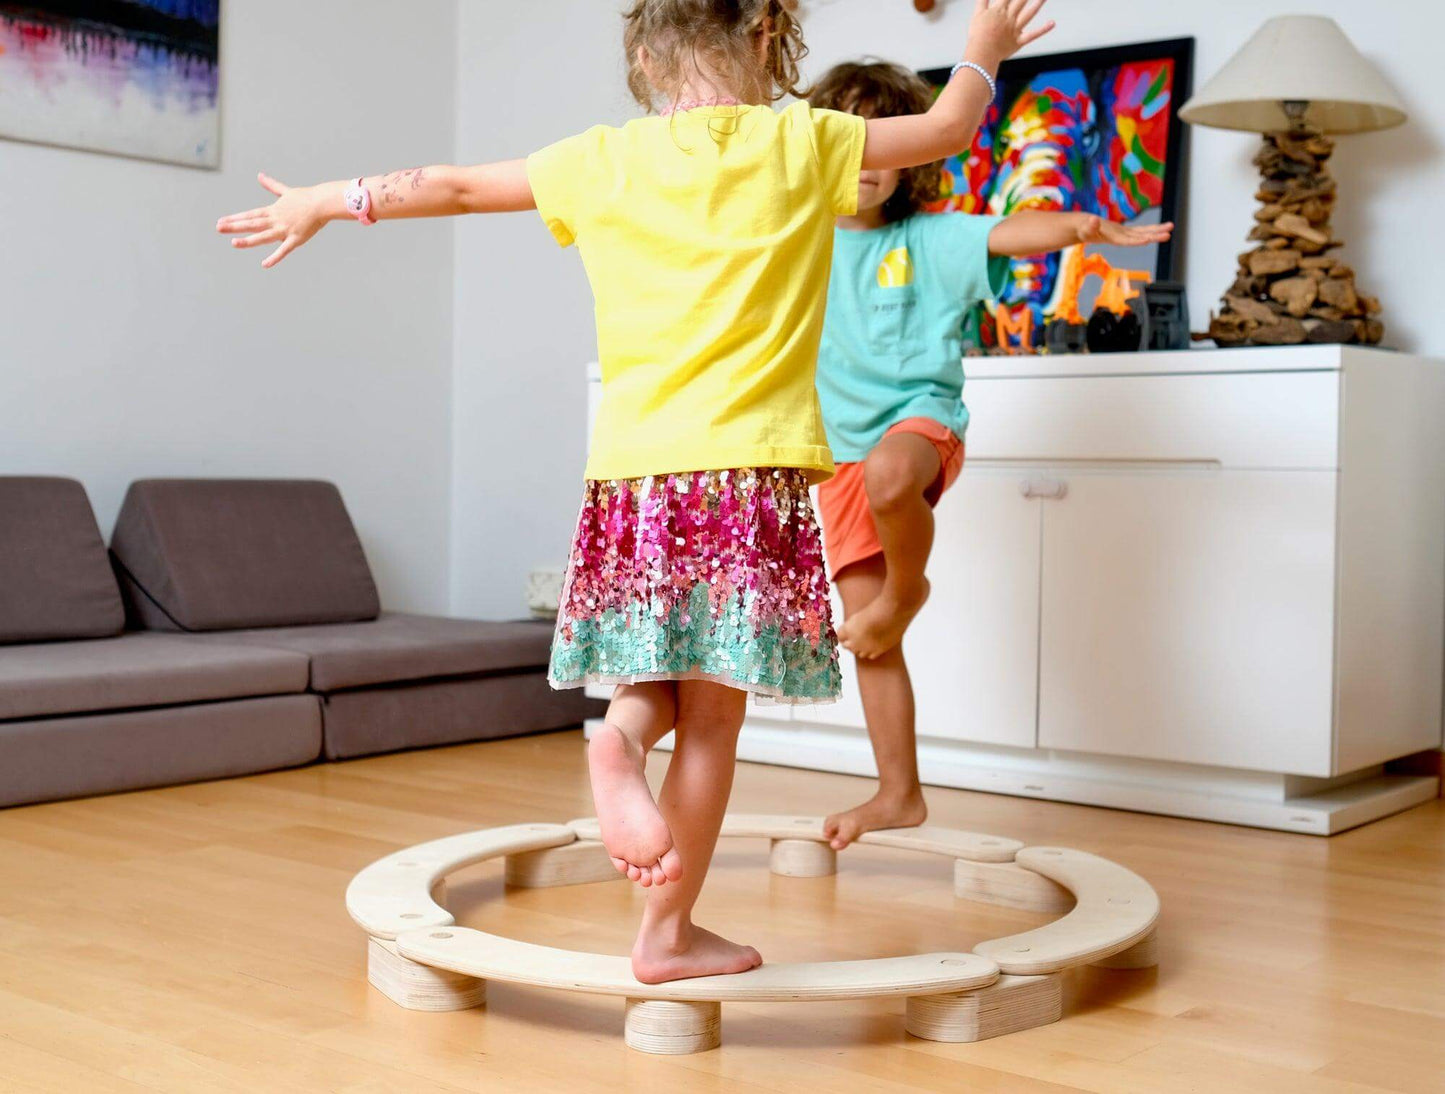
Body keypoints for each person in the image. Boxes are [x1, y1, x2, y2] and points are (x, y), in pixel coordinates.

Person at [217, 0, 1055, 983]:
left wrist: (325, 196)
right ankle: (665, 930)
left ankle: (616, 738)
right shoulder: (802, 141)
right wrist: (981, 49)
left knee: (649, 679)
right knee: (711, 713)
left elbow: (446, 186)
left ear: (646, 54)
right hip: (745, 475)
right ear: (763, 38)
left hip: (630, 478)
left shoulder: (599, 158)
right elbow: (952, 127)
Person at [808, 60, 1171, 850]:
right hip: (833, 457)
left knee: (890, 480)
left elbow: (1011, 231)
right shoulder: (795, 246)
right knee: (870, 638)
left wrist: (1083, 227)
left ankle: (909, 588)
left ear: (913, 157)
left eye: (886, 147)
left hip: (919, 425)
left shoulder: (929, 238)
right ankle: (898, 794)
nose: (868, 165)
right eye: (850, 144)